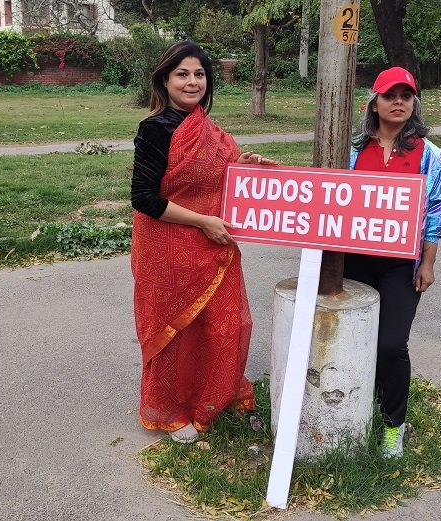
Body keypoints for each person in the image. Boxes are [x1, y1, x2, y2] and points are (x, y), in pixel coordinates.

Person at [130, 41, 277, 443]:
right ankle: (173, 410)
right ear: (165, 80)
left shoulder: (209, 130)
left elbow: (217, 179)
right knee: (177, 331)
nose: (192, 82)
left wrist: (245, 169)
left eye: (199, 74)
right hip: (167, 245)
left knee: (230, 324)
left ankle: (215, 398)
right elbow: (144, 198)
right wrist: (203, 222)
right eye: (182, 74)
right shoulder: (155, 129)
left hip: (214, 244)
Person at [344, 66, 441, 457]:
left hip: (400, 264)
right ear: (374, 102)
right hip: (352, 261)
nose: (398, 102)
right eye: (390, 95)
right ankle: (354, 405)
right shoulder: (351, 149)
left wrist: (428, 262)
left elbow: (438, 210)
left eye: (406, 96)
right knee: (351, 340)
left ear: (414, 103)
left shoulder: (430, 155)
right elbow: (324, 193)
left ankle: (394, 425)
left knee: (391, 344)